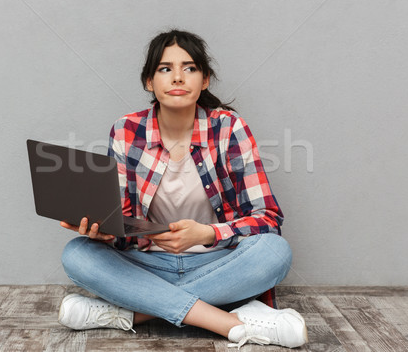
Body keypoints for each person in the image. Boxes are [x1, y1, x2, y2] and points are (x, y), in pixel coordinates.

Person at [58, 29, 308, 349]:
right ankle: (229, 321)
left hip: (218, 261)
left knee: (276, 252)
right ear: (149, 81)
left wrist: (206, 234)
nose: (177, 77)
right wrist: (105, 230)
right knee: (77, 253)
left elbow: (268, 218)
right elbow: (120, 217)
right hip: (148, 263)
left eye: (189, 68)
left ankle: (130, 313)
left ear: (204, 80)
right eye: (165, 69)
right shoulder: (126, 130)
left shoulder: (229, 127)